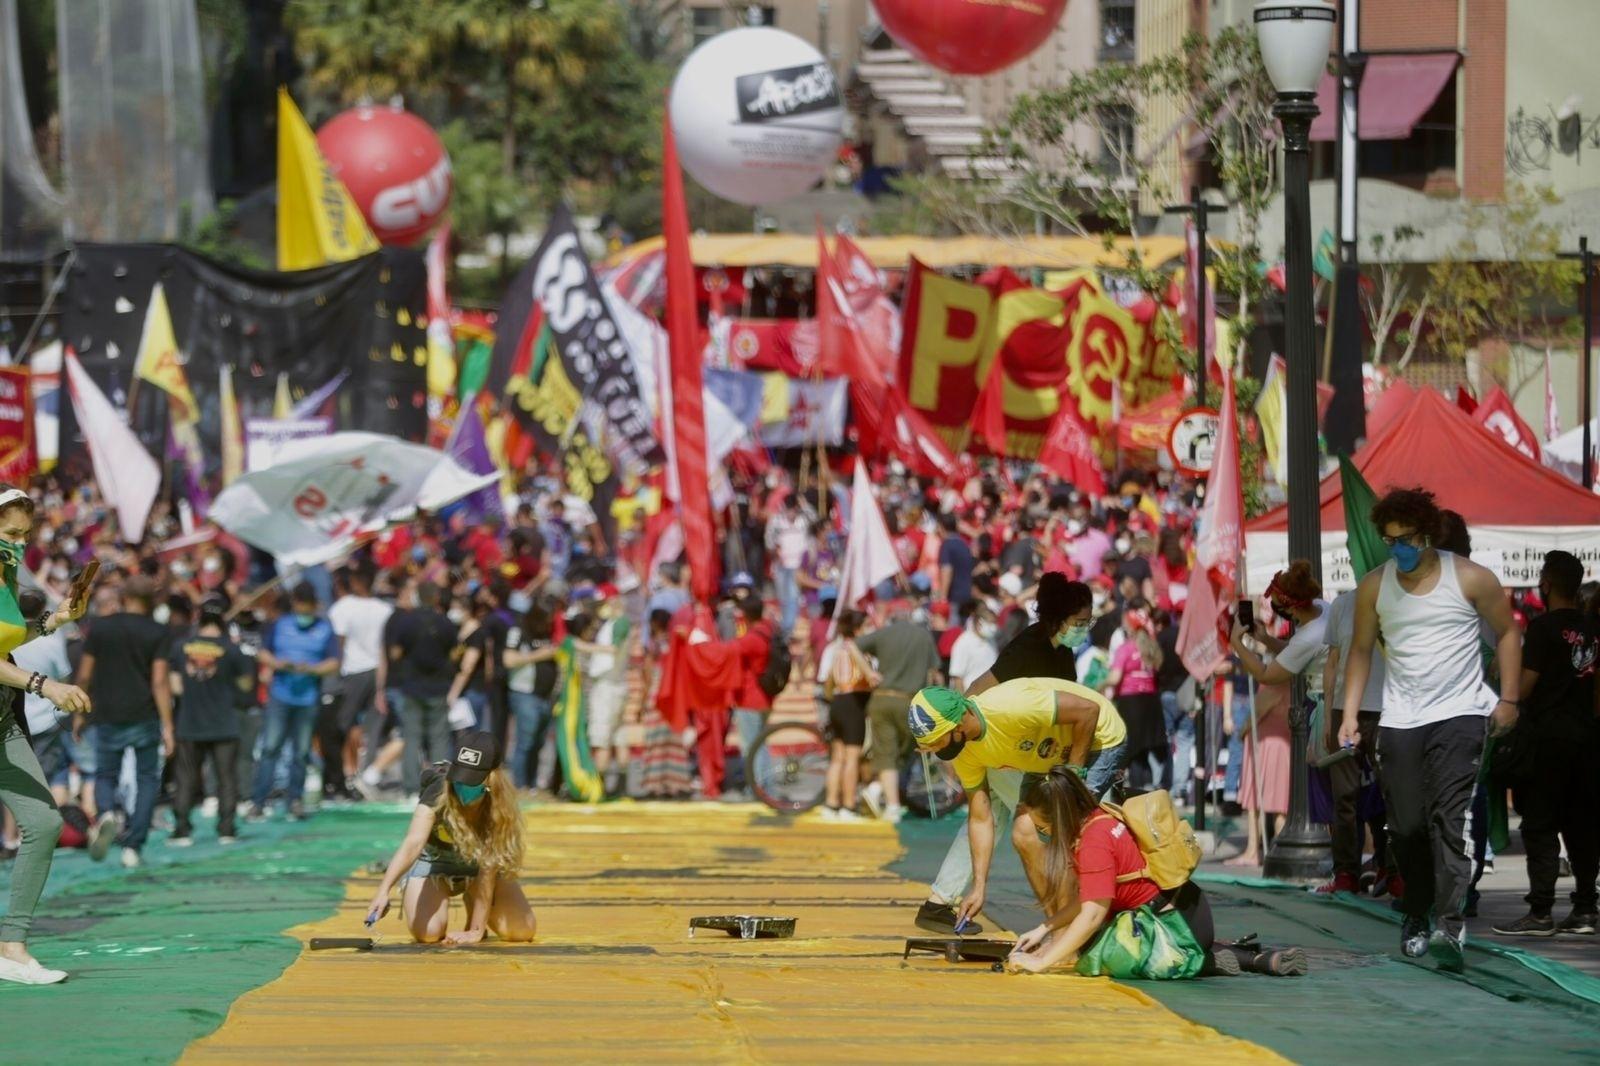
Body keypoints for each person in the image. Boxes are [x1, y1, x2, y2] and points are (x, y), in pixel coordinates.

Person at [1339, 487, 1520, 971]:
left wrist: (1508, 700)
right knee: (1407, 826)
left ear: (1427, 536)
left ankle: (1450, 922)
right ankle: (1416, 908)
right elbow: (1359, 649)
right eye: (1388, 539)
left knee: (1451, 818)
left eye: (1406, 539)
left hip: (1461, 714)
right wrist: (1350, 714)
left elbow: (1508, 632)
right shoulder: (1375, 587)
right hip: (1400, 719)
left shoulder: (1471, 579)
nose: (1397, 547)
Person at [914, 573, 1093, 934]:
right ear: (1060, 618)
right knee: (1045, 824)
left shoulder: (1061, 650)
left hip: (1020, 750)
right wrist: (962, 742)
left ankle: (939, 902)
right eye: (1081, 622)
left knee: (989, 818)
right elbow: (981, 687)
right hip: (1002, 747)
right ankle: (1067, 919)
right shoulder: (1031, 645)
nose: (1085, 628)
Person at [1003, 769, 1304, 977]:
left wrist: (1041, 962)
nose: (1044, 834)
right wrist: (1044, 929)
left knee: (1091, 952)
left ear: (1058, 816)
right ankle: (1249, 958)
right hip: (1185, 912)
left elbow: (1092, 915)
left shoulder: (1093, 842)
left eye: (1044, 828)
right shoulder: (1100, 817)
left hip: (1173, 926)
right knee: (1075, 940)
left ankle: (1196, 960)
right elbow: (1089, 898)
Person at [909, 673, 1127, 934]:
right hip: (1045, 756)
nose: (933, 750)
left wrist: (1074, 774)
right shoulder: (965, 752)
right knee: (1025, 833)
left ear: (957, 726)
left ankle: (1081, 933)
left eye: (935, 742)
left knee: (1067, 832)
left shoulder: (1010, 707)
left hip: (1095, 738)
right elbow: (980, 817)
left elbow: (1089, 710)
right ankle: (1057, 930)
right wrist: (979, 887)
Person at [0, 486, 92, 984]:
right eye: (11, 533)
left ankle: (11, 944)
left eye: (24, 535)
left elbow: (7, 640)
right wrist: (45, 685)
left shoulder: (6, 572)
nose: (18, 543)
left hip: (2, 723)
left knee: (45, 823)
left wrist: (57, 619)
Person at [1493, 550, 1599, 936]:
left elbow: (1525, 687)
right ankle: (1586, 907)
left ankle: (1540, 910)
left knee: (1539, 825)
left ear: (1548, 583)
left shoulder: (1542, 629)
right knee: (1583, 824)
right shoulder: (1593, 629)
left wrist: (1505, 687)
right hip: (1587, 740)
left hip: (1546, 741)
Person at [363, 731, 536, 945]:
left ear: (491, 778)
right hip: (434, 864)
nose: (462, 786)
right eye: (459, 778)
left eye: (471, 780)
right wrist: (383, 891)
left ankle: (472, 898)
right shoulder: (438, 786)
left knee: (521, 930)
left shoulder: (498, 805)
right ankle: (425, 889)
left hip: (478, 867)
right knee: (428, 933)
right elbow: (413, 842)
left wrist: (475, 930)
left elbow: (488, 869)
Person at [1228, 564, 1329, 866]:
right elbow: (1293, 650)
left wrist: (1236, 643)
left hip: (1322, 708)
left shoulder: (1309, 635)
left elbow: (1266, 674)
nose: (1289, 620)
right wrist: (1266, 641)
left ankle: (1346, 864)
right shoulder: (1322, 610)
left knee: (1328, 792)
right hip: (1322, 706)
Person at [79, 575, 172, 867]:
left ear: (122, 597)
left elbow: (84, 674)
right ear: (152, 601)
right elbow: (159, 681)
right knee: (147, 779)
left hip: (107, 712)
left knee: (105, 773)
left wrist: (79, 712)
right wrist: (168, 725)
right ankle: (133, 846)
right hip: (143, 714)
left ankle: (106, 812)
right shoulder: (158, 632)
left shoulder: (101, 627)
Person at [167, 597, 255, 845]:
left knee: (185, 778)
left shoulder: (180, 647)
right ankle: (226, 828)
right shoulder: (232, 648)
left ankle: (182, 830)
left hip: (190, 722)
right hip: (224, 722)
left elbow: (175, 687)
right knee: (226, 777)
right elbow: (247, 685)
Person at [250, 583, 339, 822]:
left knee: (301, 752)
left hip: (307, 698)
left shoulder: (324, 629)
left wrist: (312, 669)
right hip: (280, 695)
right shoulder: (280, 625)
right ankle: (258, 801)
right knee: (270, 748)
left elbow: (334, 662)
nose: (304, 610)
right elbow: (263, 653)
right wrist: (279, 664)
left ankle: (295, 801)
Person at [1322, 584, 1389, 895]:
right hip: (1343, 707)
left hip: (1388, 710)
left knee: (1391, 795)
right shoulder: (1343, 604)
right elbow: (1333, 661)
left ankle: (1392, 867)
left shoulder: (1402, 599)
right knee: (1344, 797)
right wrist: (1327, 717)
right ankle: (1346, 871)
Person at [857, 603, 941, 823]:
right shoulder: (924, 637)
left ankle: (878, 790)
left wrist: (869, 672)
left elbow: (852, 646)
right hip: (910, 702)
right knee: (910, 750)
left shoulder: (884, 633)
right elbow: (934, 671)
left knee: (886, 753)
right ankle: (891, 803)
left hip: (883, 698)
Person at [385, 581, 460, 801]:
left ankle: (410, 788)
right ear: (436, 598)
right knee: (439, 740)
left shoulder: (407, 622)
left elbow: (395, 654)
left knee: (412, 738)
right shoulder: (445, 623)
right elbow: (455, 654)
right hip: (438, 687)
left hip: (412, 687)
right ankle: (438, 788)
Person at [326, 566, 392, 803]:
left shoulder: (343, 607)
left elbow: (338, 643)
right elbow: (385, 648)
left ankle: (348, 771)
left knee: (343, 724)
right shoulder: (385, 609)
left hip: (351, 672)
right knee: (370, 727)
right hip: (376, 671)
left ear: (354, 582)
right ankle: (364, 773)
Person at [818, 609, 876, 821]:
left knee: (837, 758)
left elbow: (827, 682)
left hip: (838, 701)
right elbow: (870, 677)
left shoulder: (835, 648)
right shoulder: (856, 648)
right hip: (853, 703)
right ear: (858, 629)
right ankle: (849, 805)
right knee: (852, 758)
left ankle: (831, 803)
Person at [1104, 598, 1166, 791]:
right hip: (1150, 701)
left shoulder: (1126, 648)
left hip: (1130, 702)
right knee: (1143, 751)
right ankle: (1147, 788)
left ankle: (1134, 792)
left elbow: (1115, 678)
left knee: (1130, 750)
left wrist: (1099, 685)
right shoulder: (1152, 648)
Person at [765, 494, 809, 634]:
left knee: (794, 597)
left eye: (794, 509)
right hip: (782, 566)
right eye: (789, 509)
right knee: (784, 599)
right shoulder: (777, 521)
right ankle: (785, 629)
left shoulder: (803, 520)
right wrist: (775, 551)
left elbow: (815, 520)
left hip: (798, 567)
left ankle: (790, 629)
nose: (791, 513)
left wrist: (805, 505)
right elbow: (769, 542)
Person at [946, 601, 998, 695]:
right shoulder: (964, 643)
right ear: (979, 623)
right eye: (990, 623)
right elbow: (957, 677)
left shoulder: (991, 641)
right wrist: (963, 704)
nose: (993, 627)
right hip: (970, 699)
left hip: (988, 699)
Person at [936, 513, 975, 609]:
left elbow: (947, 570)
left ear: (942, 527)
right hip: (968, 594)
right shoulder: (964, 544)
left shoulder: (947, 545)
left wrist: (943, 597)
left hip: (955, 597)